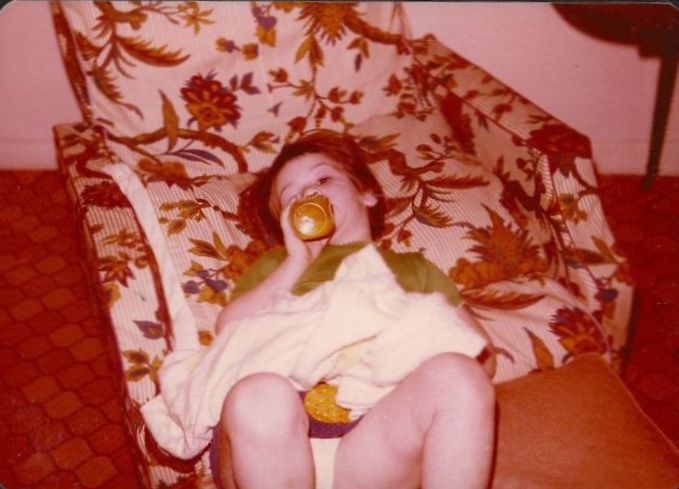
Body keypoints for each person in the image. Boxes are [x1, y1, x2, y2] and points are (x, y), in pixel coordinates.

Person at [213, 129, 497, 489]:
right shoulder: (278, 267)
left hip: (373, 443)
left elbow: (482, 357)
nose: (308, 195)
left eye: (323, 179)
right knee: (258, 394)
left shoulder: (412, 268)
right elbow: (229, 331)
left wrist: (401, 347)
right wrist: (297, 261)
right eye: (291, 196)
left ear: (367, 192)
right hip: (270, 443)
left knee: (458, 374)